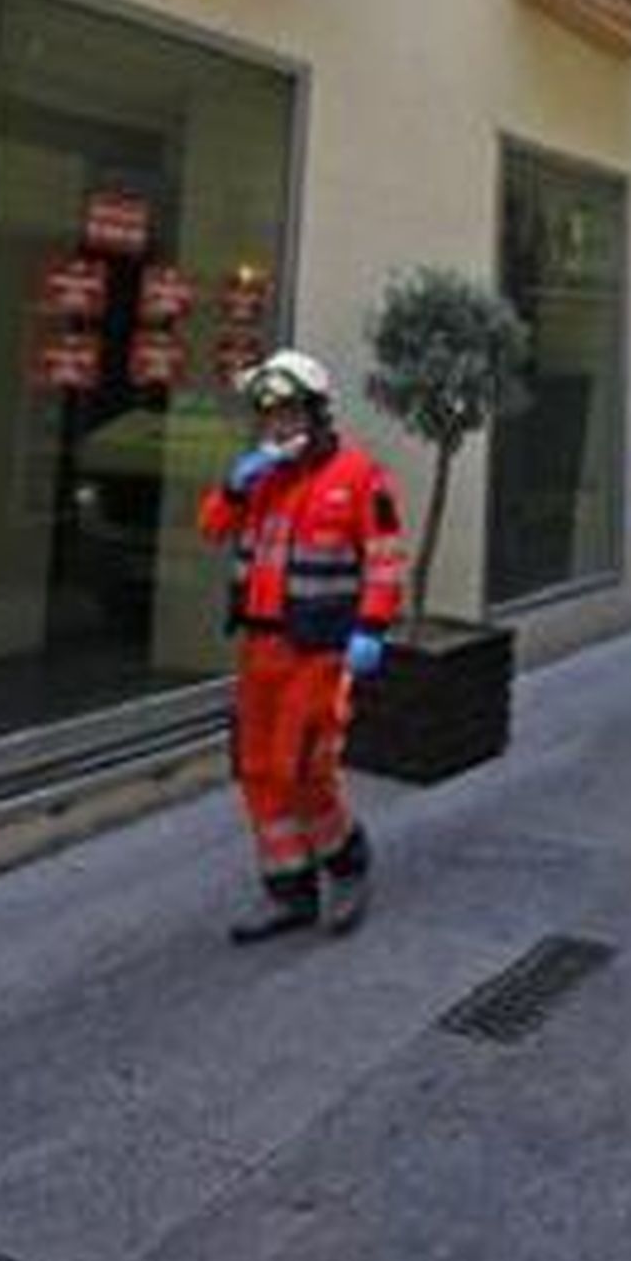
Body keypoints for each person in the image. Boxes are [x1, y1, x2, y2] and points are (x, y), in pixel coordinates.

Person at [199, 348, 405, 944]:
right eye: (268, 418)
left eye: (288, 414)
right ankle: (288, 889)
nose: (278, 427)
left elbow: (385, 561)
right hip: (260, 651)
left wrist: (371, 629)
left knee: (304, 769)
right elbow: (212, 527)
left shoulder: (359, 477)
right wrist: (234, 488)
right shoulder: (258, 479)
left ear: (316, 414)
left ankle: (346, 862)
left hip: (320, 652)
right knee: (259, 770)